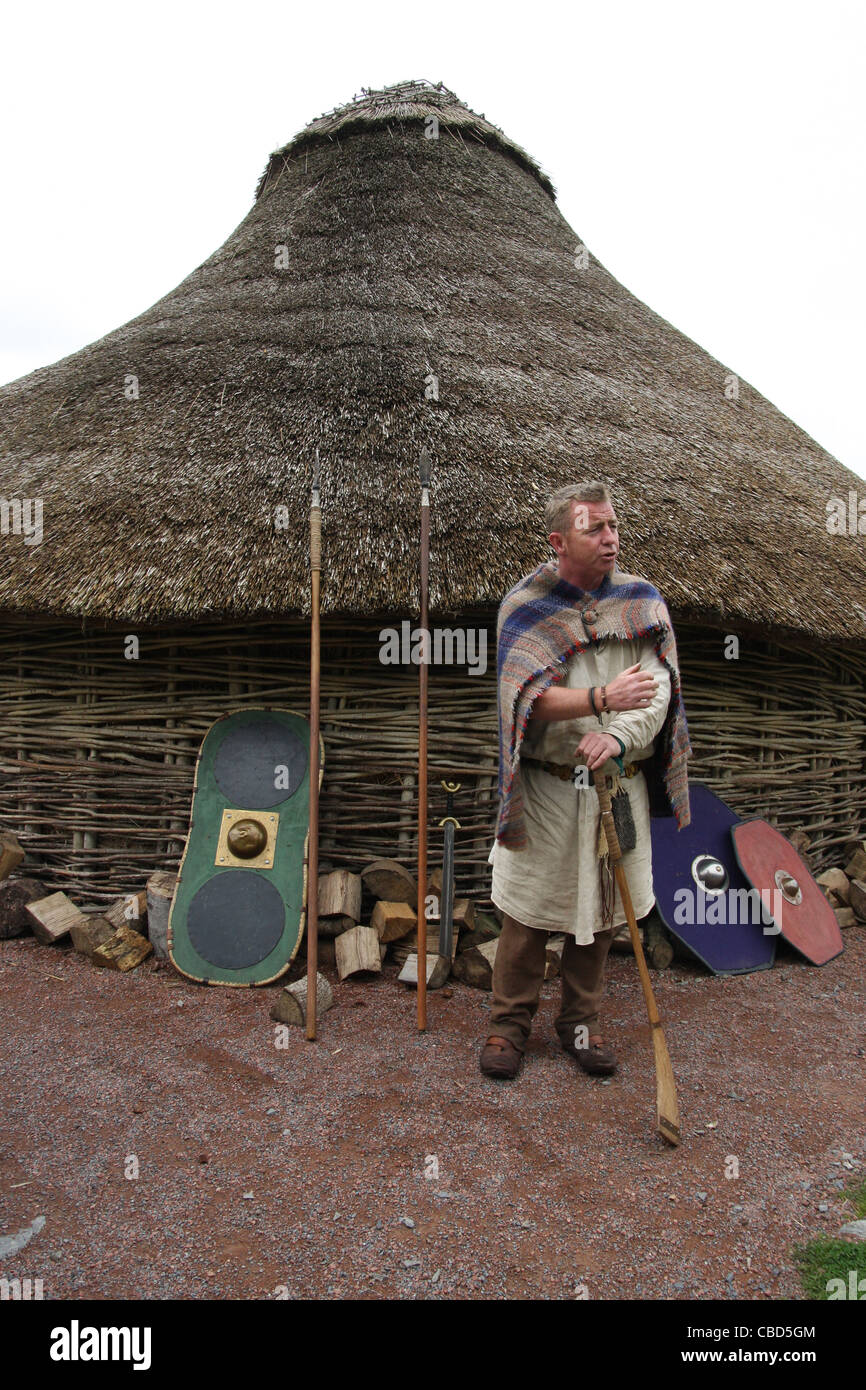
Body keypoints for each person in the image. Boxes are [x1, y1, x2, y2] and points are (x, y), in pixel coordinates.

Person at [481, 482, 690, 1080]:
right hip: (546, 788)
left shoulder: (642, 603)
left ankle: (580, 1022)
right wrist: (600, 698)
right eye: (593, 528)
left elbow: (657, 692)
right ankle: (507, 1027)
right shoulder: (527, 605)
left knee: (599, 910)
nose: (610, 538)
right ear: (559, 540)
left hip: (616, 784)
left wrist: (618, 734)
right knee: (525, 913)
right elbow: (524, 698)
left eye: (613, 526)